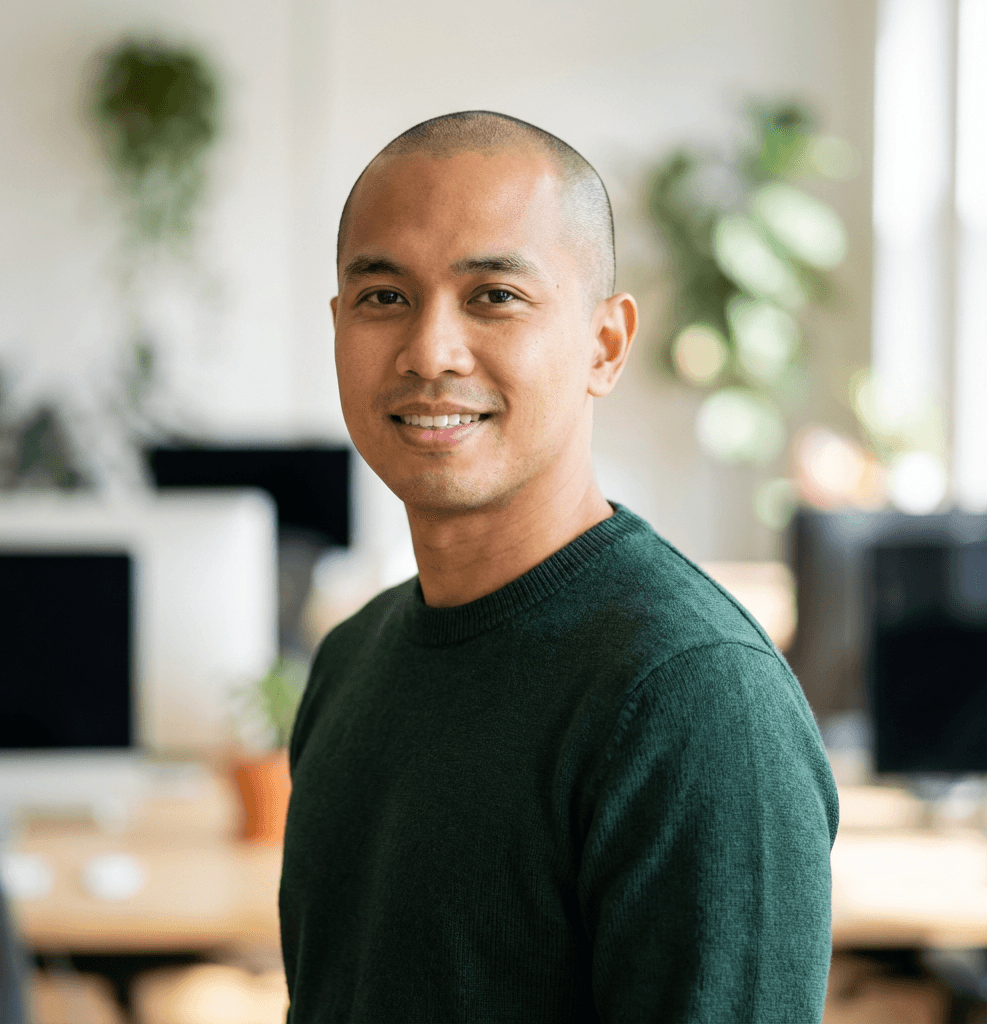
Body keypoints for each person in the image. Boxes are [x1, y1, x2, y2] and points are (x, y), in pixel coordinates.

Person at [279, 110, 838, 1023]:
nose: (429, 352)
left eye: (494, 295)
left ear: (604, 345)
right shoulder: (351, 660)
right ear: (339, 325)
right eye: (385, 298)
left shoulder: (692, 698)